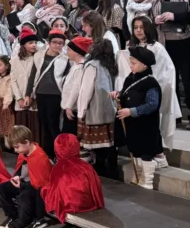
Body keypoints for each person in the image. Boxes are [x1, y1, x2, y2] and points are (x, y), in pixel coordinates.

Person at [116, 16, 180, 164]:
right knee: (141, 126)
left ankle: (157, 154)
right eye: (135, 27)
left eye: (141, 27)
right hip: (138, 91)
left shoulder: (157, 47)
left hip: (152, 89)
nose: (138, 30)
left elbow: (166, 70)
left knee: (152, 125)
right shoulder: (132, 46)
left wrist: (150, 82)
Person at [151, 0, 190, 129]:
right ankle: (175, 116)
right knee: (169, 83)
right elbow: (149, 23)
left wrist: (176, 16)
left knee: (189, 83)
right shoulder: (156, 3)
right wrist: (155, 21)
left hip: (187, 45)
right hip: (166, 45)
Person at [116, 47, 163, 189]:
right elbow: (126, 93)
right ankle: (139, 176)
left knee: (145, 152)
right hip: (132, 125)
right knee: (135, 150)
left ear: (144, 65)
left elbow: (152, 104)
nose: (131, 66)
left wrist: (132, 111)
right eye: (130, 62)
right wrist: (118, 95)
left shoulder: (150, 83)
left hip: (146, 126)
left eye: (134, 63)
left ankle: (147, 180)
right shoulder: (130, 78)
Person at [0, 125, 52, 228]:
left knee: (24, 196)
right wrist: (19, 176)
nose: (16, 151)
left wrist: (21, 185)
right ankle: (13, 216)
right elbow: (27, 171)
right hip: (27, 183)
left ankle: (24, 221)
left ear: (26, 142)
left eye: (17, 147)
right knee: (1, 189)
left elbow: (41, 185)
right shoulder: (24, 152)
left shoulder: (40, 158)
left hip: (37, 191)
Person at [24, 30, 69, 159]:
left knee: (53, 124)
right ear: (49, 43)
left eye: (61, 43)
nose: (58, 46)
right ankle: (47, 153)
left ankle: (59, 154)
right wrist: (28, 94)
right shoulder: (39, 56)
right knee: (44, 124)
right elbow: (33, 75)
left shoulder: (65, 59)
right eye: (55, 42)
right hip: (41, 93)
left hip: (56, 95)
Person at [77, 39, 118, 179]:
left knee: (98, 147)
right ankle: (112, 173)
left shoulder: (92, 66)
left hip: (95, 111)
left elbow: (85, 91)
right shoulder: (110, 65)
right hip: (109, 110)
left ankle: (100, 174)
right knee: (109, 146)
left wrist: (81, 111)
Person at [41, 133, 104, 224]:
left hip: (71, 205)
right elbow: (95, 187)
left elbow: (56, 191)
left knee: (44, 190)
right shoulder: (86, 166)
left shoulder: (58, 168)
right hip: (88, 203)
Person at [10, 28, 41, 143]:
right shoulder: (14, 60)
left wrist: (31, 96)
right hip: (20, 101)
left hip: (34, 100)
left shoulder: (38, 58)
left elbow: (37, 80)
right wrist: (19, 98)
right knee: (22, 129)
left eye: (35, 43)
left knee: (34, 128)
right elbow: (13, 81)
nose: (34, 45)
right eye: (31, 43)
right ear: (23, 45)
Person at [60, 37, 92, 135]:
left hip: (73, 109)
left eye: (69, 50)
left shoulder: (80, 67)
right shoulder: (75, 65)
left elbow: (76, 89)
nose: (67, 52)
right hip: (69, 107)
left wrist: (69, 106)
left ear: (77, 52)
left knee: (70, 134)